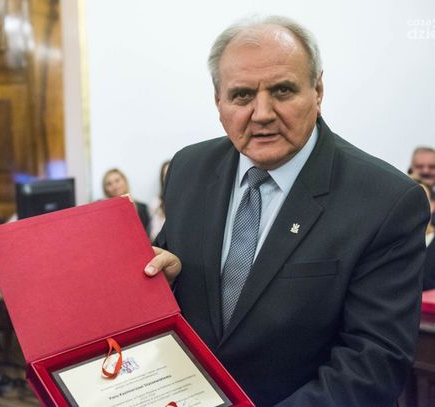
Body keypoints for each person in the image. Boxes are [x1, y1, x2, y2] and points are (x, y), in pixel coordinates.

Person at [144, 16, 430, 407]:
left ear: (318, 90)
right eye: (242, 95)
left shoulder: (386, 200)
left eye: (282, 90)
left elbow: (373, 366)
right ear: (218, 101)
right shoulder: (189, 169)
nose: (262, 112)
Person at [102, 168, 150, 234]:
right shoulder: (102, 212)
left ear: (125, 181)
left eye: (117, 181)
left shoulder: (142, 208)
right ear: (105, 189)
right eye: (109, 184)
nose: (114, 185)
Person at [148, 160, 170, 241]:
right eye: (165, 175)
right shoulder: (156, 203)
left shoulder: (187, 200)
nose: (169, 178)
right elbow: (155, 235)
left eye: (171, 174)